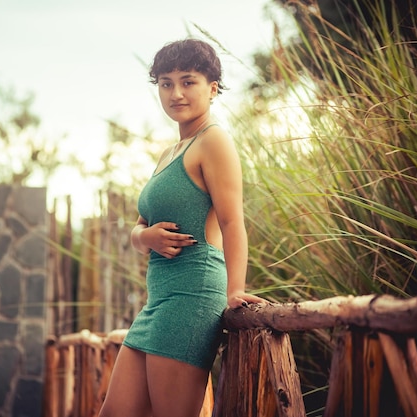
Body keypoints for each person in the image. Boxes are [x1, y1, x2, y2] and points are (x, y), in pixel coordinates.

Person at [98, 38, 265, 417]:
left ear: (212, 87)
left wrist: (235, 290)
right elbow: (139, 226)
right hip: (158, 301)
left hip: (192, 296)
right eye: (165, 82)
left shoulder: (214, 141)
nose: (176, 93)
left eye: (188, 82)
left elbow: (232, 221)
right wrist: (146, 237)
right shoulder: (169, 152)